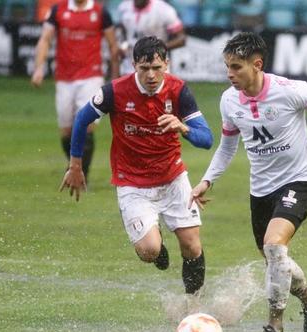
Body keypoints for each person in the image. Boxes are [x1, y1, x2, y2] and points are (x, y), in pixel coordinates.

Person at [189, 32, 307, 332]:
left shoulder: (291, 91)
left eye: (236, 67)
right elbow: (227, 147)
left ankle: (274, 328)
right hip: (261, 190)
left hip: (300, 181)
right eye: (226, 66)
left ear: (257, 64)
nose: (229, 74)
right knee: (275, 261)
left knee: (273, 245)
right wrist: (206, 181)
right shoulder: (229, 101)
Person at [59, 36, 213, 295]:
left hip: (173, 178)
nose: (151, 75)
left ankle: (192, 305)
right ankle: (157, 246)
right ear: (134, 66)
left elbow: (206, 139)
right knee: (148, 251)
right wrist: (75, 165)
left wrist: (183, 126)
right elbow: (81, 120)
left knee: (192, 246)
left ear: (167, 63)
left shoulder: (178, 90)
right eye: (144, 69)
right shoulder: (114, 92)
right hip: (132, 183)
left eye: (156, 68)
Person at [31, 0, 120, 181]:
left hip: (91, 76)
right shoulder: (57, 10)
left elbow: (113, 46)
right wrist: (39, 68)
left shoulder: (100, 13)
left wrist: (115, 76)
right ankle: (75, 165)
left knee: (86, 124)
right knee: (66, 131)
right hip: (64, 77)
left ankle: (81, 175)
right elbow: (45, 39)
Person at [117, 0, 187, 75]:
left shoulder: (164, 9)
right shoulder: (124, 7)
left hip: (156, 65)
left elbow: (181, 39)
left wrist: (157, 48)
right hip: (130, 65)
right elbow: (123, 30)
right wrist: (123, 45)